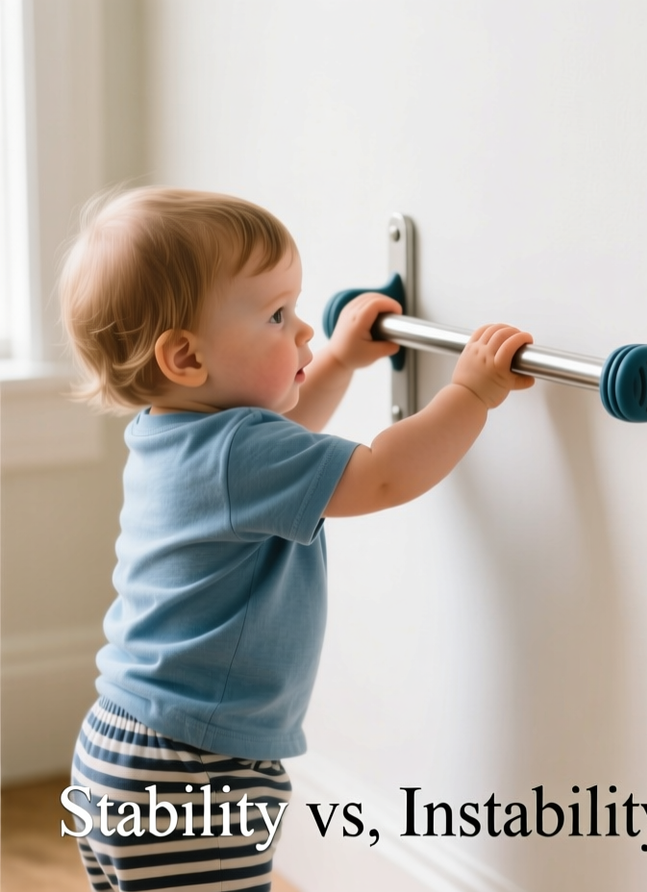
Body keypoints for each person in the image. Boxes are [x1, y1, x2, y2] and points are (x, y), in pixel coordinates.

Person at [57, 187, 533, 891]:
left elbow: (288, 436)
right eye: (278, 315)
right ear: (185, 356)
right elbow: (383, 477)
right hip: (198, 768)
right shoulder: (239, 452)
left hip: (118, 743)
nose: (304, 330)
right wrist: (472, 391)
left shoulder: (173, 435)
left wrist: (338, 359)